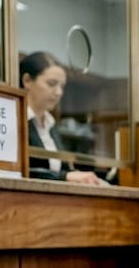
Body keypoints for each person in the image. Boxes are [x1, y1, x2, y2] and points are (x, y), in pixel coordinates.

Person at [20, 51, 107, 185]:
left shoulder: (51, 124)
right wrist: (65, 177)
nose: (59, 92)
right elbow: (21, 171)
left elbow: (61, 169)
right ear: (27, 80)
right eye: (51, 84)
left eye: (61, 86)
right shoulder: (16, 121)